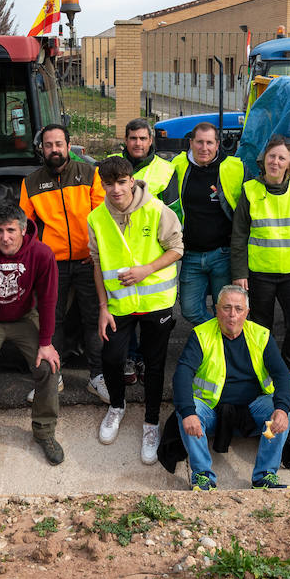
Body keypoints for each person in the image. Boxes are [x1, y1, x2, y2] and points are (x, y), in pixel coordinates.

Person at [87, 156, 183, 462]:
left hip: (156, 303)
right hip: (119, 305)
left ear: (131, 180)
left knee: (154, 366)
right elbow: (97, 264)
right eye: (108, 183)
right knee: (112, 358)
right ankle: (117, 406)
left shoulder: (156, 210)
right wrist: (103, 307)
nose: (115, 189)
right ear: (102, 184)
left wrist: (146, 270)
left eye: (121, 182)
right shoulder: (96, 218)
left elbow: (177, 249)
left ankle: (151, 423)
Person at [0, 205, 64, 473]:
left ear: (22, 229)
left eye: (10, 230)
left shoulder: (41, 254)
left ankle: (44, 431)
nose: (5, 237)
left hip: (23, 316)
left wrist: (46, 342)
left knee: (48, 366)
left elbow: (48, 300)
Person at [173, 285, 290, 490]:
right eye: (226, 308)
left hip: (253, 411)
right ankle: (203, 477)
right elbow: (182, 375)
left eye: (238, 309)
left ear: (247, 312)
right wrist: (188, 412)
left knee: (283, 410)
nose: (232, 314)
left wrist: (281, 408)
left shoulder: (261, 335)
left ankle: (265, 476)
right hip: (212, 413)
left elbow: (282, 375)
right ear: (216, 310)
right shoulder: (201, 335)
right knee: (186, 408)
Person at [19, 122, 107, 401]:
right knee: (50, 321)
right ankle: (52, 379)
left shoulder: (89, 174)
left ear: (69, 147)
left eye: (59, 144)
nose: (54, 150)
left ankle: (97, 377)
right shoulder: (30, 183)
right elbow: (26, 228)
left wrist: (98, 256)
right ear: (42, 149)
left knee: (93, 319)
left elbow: (102, 218)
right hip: (52, 264)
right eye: (48, 145)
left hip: (87, 261)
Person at [231, 135, 290, 376]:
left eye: (282, 157)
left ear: (289, 162)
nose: (276, 162)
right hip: (259, 274)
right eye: (272, 156)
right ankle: (261, 372)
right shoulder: (250, 190)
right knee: (260, 328)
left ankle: (288, 370)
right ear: (264, 159)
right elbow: (239, 235)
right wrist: (239, 273)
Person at [108, 117, 179, 384]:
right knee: (125, 308)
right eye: (132, 138)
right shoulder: (111, 163)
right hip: (120, 252)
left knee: (153, 310)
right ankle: (131, 356)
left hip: (154, 256)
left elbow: (175, 213)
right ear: (125, 140)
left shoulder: (165, 169)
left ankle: (148, 359)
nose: (137, 143)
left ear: (151, 141)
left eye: (142, 138)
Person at [172, 121, 247, 326]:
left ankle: (221, 352)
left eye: (209, 143)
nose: (204, 148)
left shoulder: (234, 167)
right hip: (191, 255)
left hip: (222, 254)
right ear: (191, 143)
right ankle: (219, 337)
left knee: (223, 309)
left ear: (217, 144)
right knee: (189, 309)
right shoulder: (177, 166)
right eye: (199, 142)